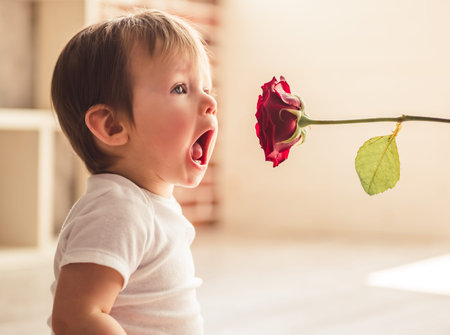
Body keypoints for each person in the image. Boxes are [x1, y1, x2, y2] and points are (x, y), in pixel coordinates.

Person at [49, 9, 218, 335]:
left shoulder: (144, 205)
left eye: (207, 89)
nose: (210, 103)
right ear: (112, 126)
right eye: (181, 88)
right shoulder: (118, 210)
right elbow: (75, 318)